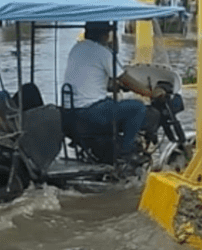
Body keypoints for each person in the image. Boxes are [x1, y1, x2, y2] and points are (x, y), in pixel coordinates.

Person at [62, 22, 163, 161]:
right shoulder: (103, 53)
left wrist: (114, 86)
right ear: (105, 35)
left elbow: (90, 78)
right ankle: (126, 152)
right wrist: (150, 92)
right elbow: (125, 79)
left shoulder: (76, 48)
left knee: (113, 103)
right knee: (137, 107)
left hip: (72, 113)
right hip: (91, 112)